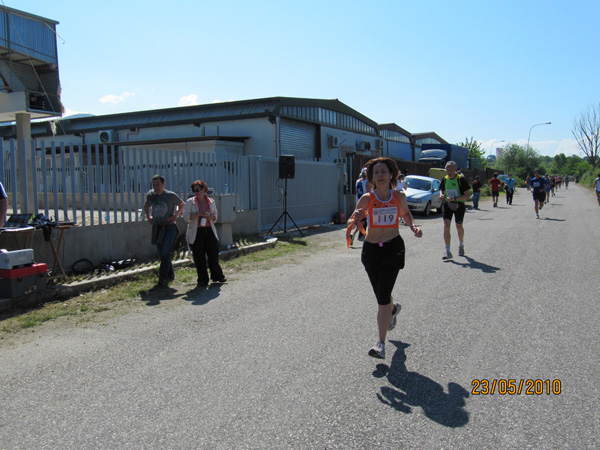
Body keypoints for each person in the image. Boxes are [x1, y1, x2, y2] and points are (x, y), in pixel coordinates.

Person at [348, 157, 422, 359]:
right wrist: (353, 221)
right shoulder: (366, 198)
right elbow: (355, 218)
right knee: (382, 295)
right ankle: (393, 309)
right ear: (371, 177)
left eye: (383, 171)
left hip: (393, 249)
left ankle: (380, 344)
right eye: (376, 172)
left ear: (391, 175)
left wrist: (413, 227)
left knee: (382, 298)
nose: (380, 175)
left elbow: (405, 214)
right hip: (371, 252)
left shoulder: (399, 196)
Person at [144, 174, 185, 286]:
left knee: (165, 251)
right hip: (157, 227)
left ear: (163, 184)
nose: (156, 187)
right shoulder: (151, 195)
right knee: (163, 254)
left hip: (169, 227)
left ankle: (162, 278)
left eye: (158, 185)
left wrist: (175, 215)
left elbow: (182, 205)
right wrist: (148, 216)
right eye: (154, 185)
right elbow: (146, 206)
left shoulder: (170, 195)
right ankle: (170, 275)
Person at [183, 180, 226, 286]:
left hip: (209, 229)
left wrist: (210, 217)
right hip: (197, 231)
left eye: (198, 190)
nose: (196, 192)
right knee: (199, 256)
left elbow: (215, 216)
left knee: (214, 254)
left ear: (204, 189)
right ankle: (202, 279)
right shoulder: (190, 202)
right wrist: (198, 214)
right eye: (194, 190)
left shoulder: (211, 201)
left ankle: (217, 276)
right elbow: (186, 217)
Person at [439, 161, 471, 259]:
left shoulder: (461, 179)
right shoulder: (444, 179)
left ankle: (461, 245)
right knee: (446, 225)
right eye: (448, 170)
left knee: (459, 226)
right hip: (447, 204)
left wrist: (455, 199)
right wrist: (441, 195)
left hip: (459, 205)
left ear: (455, 170)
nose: (449, 172)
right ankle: (448, 251)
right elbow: (441, 190)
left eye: (451, 170)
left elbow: (467, 195)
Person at [353, 168, 372, 243]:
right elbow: (368, 193)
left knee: (361, 220)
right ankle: (360, 235)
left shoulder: (357, 181)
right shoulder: (367, 182)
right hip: (364, 203)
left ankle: (356, 234)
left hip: (358, 202)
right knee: (364, 220)